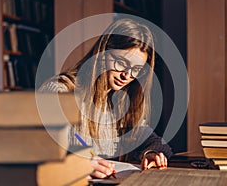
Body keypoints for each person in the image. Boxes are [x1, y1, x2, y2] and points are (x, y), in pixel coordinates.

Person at [39, 18, 173, 179]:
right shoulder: (60, 91)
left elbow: (153, 141)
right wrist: (80, 162)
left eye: (136, 69)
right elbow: (38, 147)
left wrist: (152, 153)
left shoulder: (119, 102)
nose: (127, 75)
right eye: (121, 63)